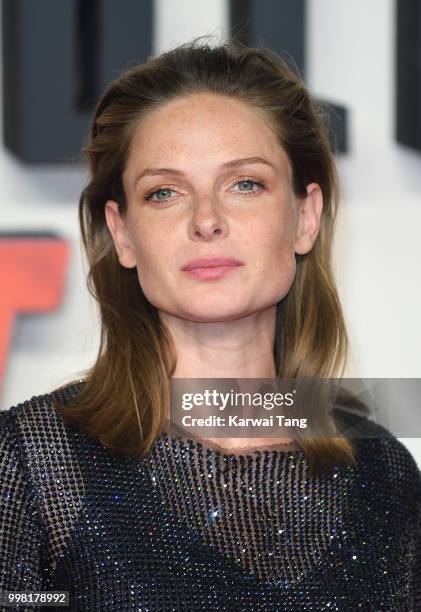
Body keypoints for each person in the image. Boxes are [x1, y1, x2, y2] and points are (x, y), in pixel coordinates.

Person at [1, 35, 420, 611]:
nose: (206, 221)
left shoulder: (384, 477)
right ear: (122, 233)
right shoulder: (34, 464)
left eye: (245, 184)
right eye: (165, 192)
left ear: (305, 216)